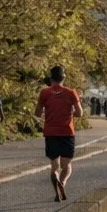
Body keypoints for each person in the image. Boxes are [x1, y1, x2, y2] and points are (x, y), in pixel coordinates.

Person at [35, 65, 82, 202]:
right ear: (64, 78)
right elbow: (80, 113)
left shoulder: (44, 93)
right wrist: (69, 111)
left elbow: (37, 113)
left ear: (51, 78)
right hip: (67, 132)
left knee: (54, 165)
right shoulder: (71, 93)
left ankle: (56, 183)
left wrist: (46, 112)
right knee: (66, 165)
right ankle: (62, 182)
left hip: (50, 133)